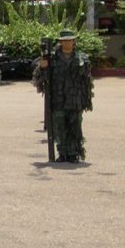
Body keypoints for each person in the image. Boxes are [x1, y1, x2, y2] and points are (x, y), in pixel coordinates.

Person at [33, 30, 94, 163]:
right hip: (58, 98)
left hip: (75, 99)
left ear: (74, 42)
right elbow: (39, 78)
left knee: (75, 126)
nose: (67, 43)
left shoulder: (82, 59)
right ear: (60, 42)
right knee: (59, 126)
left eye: (69, 40)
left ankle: (73, 153)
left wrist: (86, 99)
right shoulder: (51, 58)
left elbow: (87, 82)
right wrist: (43, 68)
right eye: (64, 41)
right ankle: (62, 153)